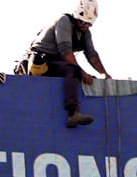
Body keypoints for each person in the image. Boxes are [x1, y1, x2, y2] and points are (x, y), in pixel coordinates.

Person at [24, 0, 108, 130]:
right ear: (76, 17)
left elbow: (92, 55)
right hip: (41, 62)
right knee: (74, 70)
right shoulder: (64, 21)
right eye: (82, 22)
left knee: (81, 74)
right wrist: (82, 73)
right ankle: (73, 113)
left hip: (57, 63)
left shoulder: (85, 33)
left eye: (88, 24)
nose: (85, 25)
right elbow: (65, 52)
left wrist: (104, 74)